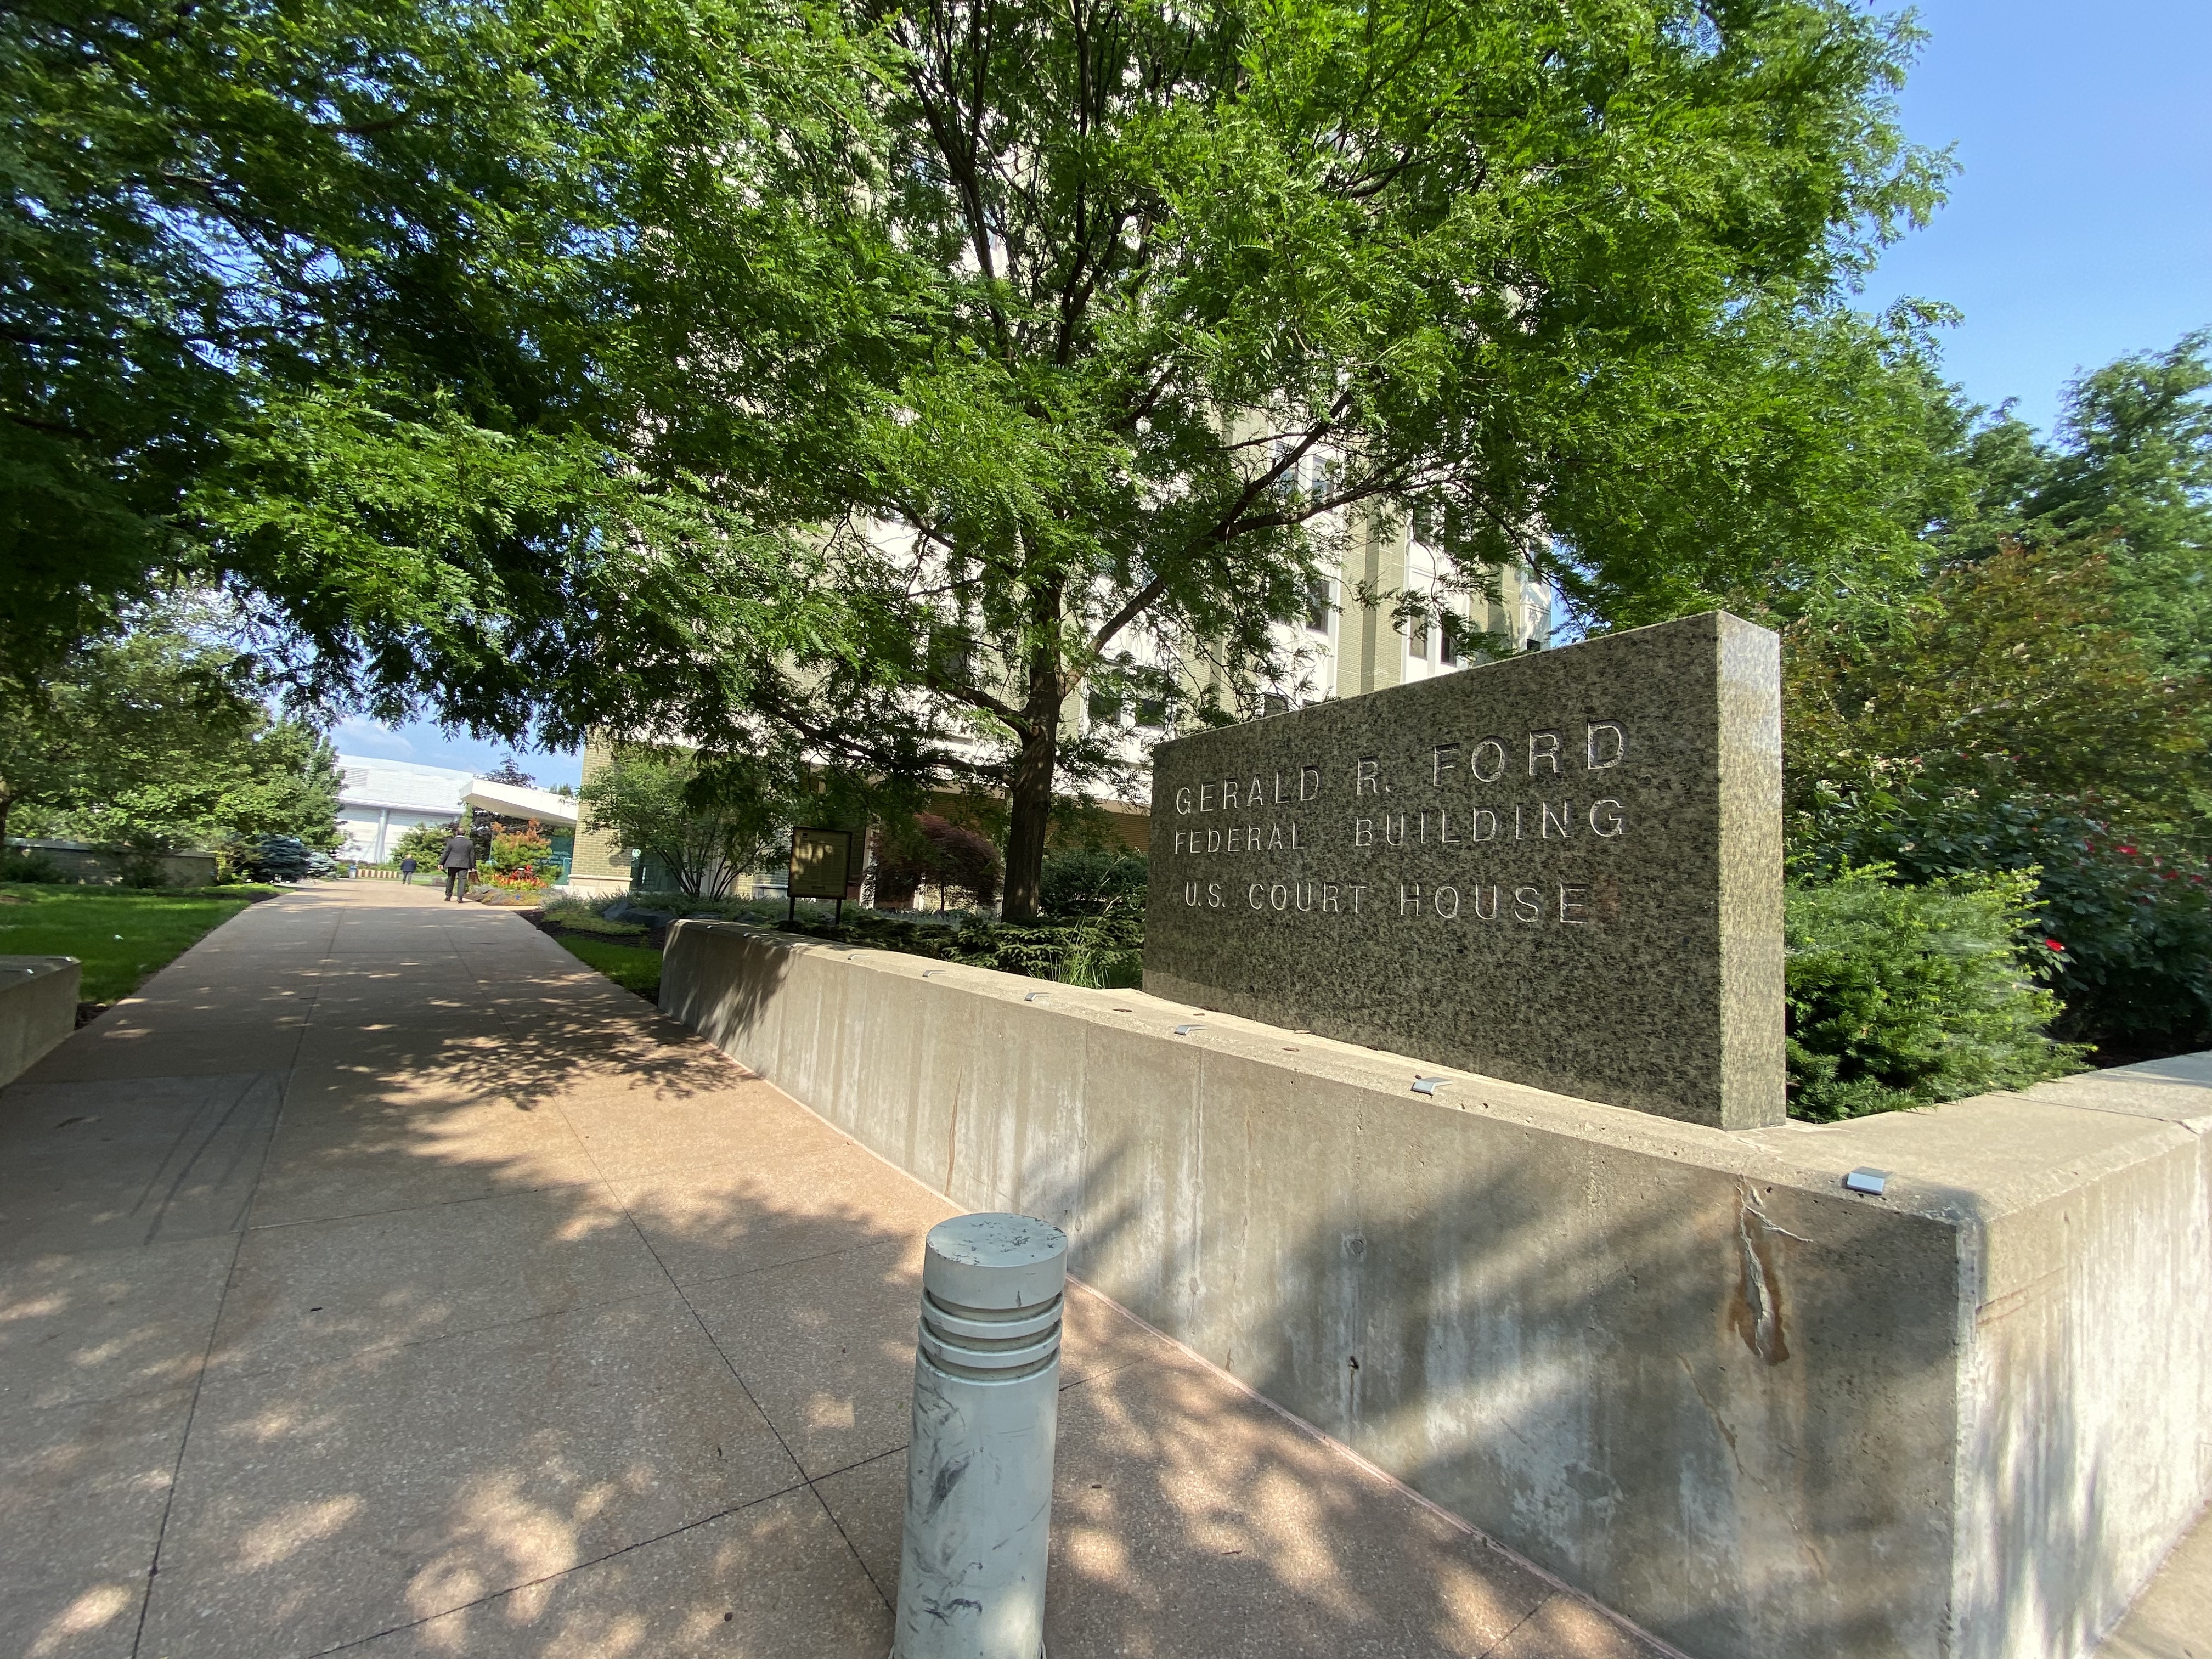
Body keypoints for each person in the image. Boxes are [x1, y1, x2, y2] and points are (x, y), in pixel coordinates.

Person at [439, 828, 477, 901]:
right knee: (462, 880)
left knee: (450, 879)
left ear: (457, 833)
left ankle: (448, 896)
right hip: (464, 864)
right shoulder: (469, 843)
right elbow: (472, 855)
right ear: (464, 833)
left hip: (452, 864)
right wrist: (473, 866)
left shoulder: (451, 842)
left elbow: (446, 853)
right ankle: (460, 897)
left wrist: (441, 863)